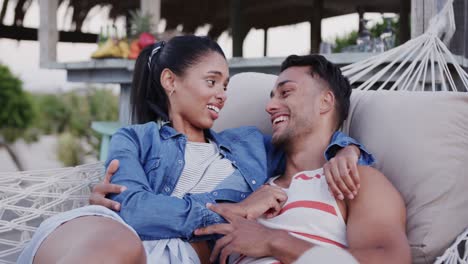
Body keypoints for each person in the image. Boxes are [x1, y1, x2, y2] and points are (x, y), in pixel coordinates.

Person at [18, 36, 372, 264]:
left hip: (179, 257)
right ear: (171, 81)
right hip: (111, 237)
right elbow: (134, 213)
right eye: (211, 81)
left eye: (226, 85)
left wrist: (347, 149)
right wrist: (236, 210)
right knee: (121, 247)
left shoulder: (250, 146)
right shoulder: (134, 139)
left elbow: (308, 142)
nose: (222, 94)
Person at [194, 55, 411, 264]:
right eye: (271, 97)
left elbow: (389, 260)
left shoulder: (356, 181)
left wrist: (274, 240)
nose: (270, 107)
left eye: (286, 93)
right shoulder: (250, 193)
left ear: (325, 102)